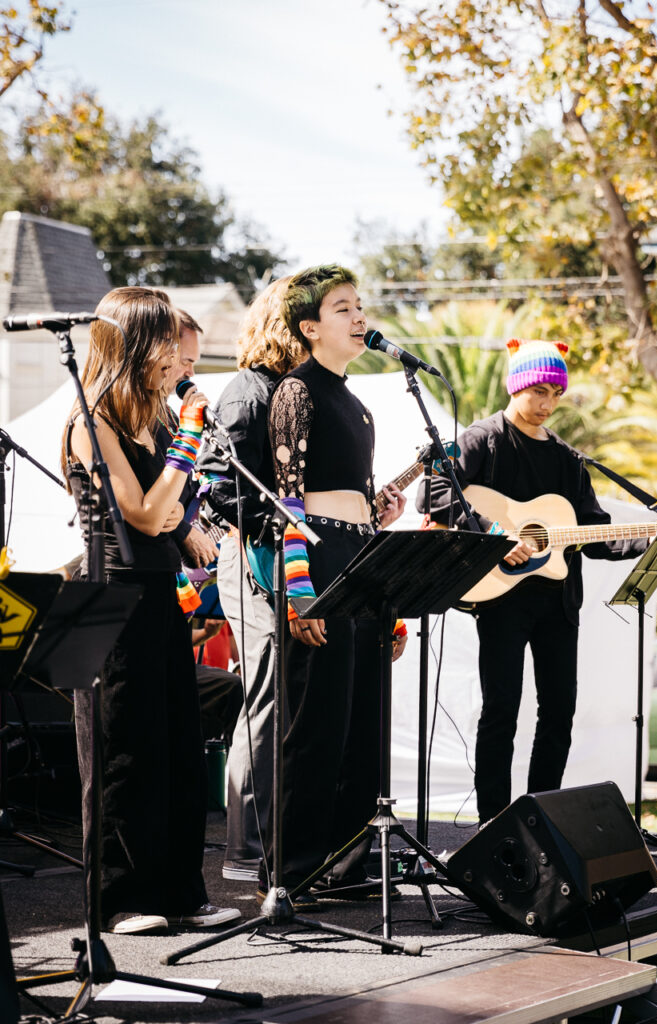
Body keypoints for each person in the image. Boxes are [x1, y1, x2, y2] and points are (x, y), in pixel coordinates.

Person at [62, 286, 239, 935]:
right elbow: (140, 511)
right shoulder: (92, 422)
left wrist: (185, 521)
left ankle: (180, 892)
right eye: (164, 339)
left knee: (176, 747)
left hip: (161, 594)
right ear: (133, 343)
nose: (175, 354)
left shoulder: (160, 420)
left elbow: (172, 509)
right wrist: (187, 443)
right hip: (111, 599)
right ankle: (122, 897)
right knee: (124, 753)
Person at [416, 338, 647, 824]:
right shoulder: (481, 438)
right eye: (537, 391)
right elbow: (434, 492)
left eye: (555, 394)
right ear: (513, 385)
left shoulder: (568, 459)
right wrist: (496, 534)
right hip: (502, 600)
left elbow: (594, 530)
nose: (546, 404)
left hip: (559, 603)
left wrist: (649, 536)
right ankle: (493, 823)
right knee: (501, 709)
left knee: (559, 712)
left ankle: (542, 818)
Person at [264, 264, 407, 902]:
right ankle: (293, 870)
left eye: (359, 306)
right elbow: (286, 501)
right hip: (316, 559)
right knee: (318, 720)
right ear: (310, 327)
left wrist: (379, 513)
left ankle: (351, 867)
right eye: (342, 308)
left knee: (363, 720)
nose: (358, 317)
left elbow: (355, 495)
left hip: (361, 554)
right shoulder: (297, 392)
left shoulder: (359, 404)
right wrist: (297, 591)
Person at [196, 276, 306, 882]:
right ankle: (245, 851)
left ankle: (284, 843)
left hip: (286, 558)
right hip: (253, 558)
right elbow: (220, 485)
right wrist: (271, 523)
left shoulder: (297, 393)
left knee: (287, 699)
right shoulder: (249, 392)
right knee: (263, 697)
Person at [154, 308, 219, 570]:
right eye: (186, 361)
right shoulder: (136, 420)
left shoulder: (169, 415)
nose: (191, 372)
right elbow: (151, 499)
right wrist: (183, 531)